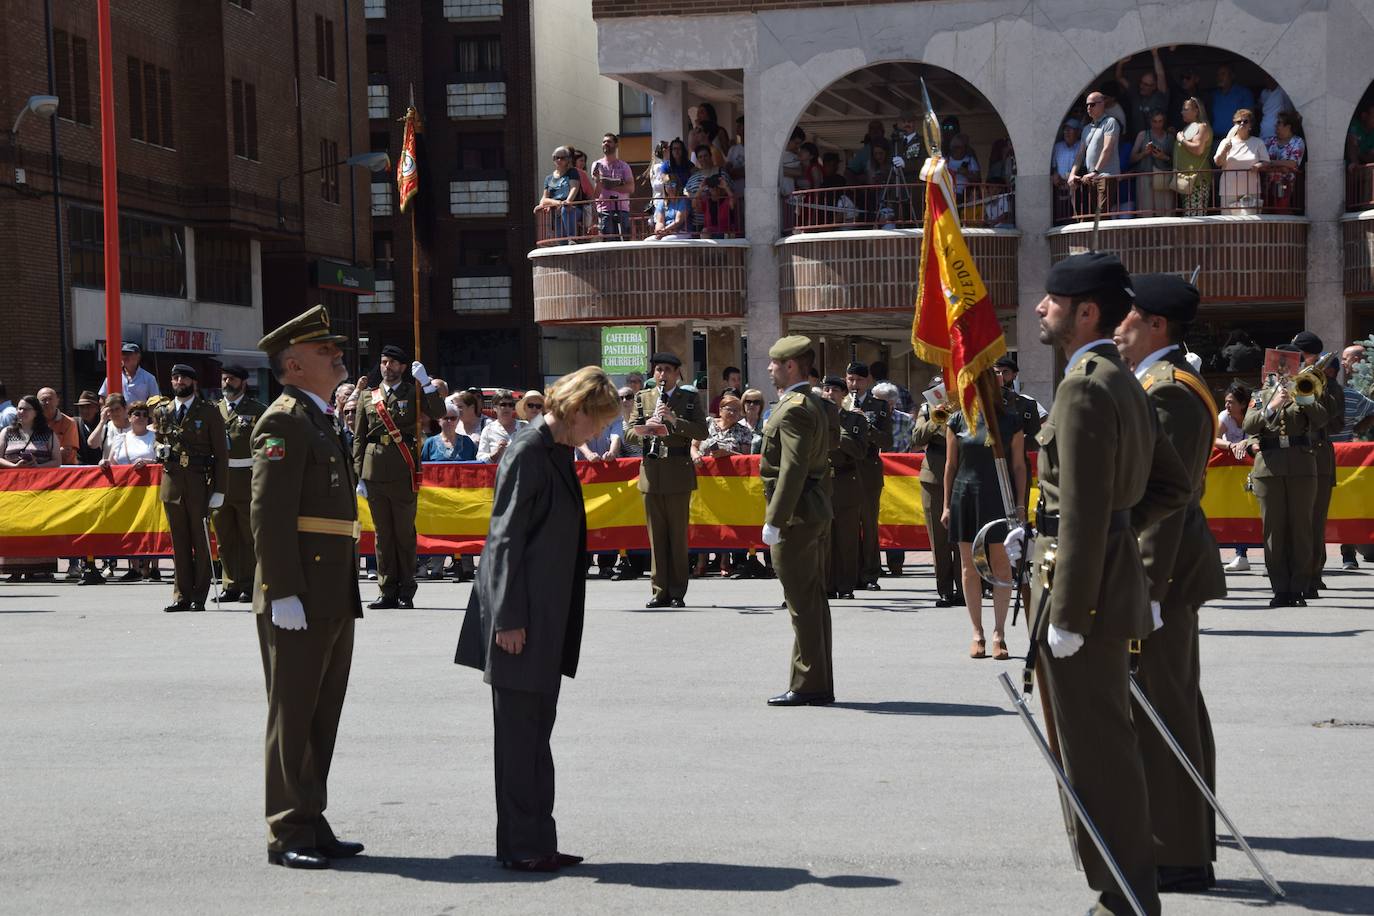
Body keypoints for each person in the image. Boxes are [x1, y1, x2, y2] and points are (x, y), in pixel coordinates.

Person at [1017, 251, 1190, 916]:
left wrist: (1071, 608)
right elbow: (1168, 487)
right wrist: (1073, 530)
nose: (1040, 308)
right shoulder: (1118, 376)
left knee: (1097, 757)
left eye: (1051, 299)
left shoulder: (1086, 384)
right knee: (1103, 747)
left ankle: (1124, 898)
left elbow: (1089, 509)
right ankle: (1123, 891)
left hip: (1081, 598)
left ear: (1085, 311)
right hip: (1091, 578)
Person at [455, 366, 619, 873]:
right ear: (575, 410)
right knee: (521, 739)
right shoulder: (528, 449)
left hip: (540, 618)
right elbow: (503, 537)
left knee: (534, 735)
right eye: (597, 422)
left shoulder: (554, 450)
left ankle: (537, 840)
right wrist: (507, 618)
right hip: (518, 622)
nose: (599, 433)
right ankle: (524, 847)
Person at [1114, 274, 1228, 893]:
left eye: (1128, 316)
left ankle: (1181, 851)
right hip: (1157, 570)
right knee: (1166, 701)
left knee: (1167, 706)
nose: (1117, 324)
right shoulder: (1152, 383)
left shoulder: (1170, 392)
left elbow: (1169, 497)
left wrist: (1150, 589)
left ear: (1156, 324)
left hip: (1164, 572)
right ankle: (1176, 838)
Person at [250, 304, 365, 871]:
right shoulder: (284, 420)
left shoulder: (318, 417)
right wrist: (281, 589)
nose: (337, 355)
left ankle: (311, 818)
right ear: (293, 365)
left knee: (323, 712)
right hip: (300, 590)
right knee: (292, 713)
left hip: (331, 587)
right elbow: (269, 513)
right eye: (325, 351)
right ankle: (286, 829)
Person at [760, 336, 834, 707]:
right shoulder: (812, 403)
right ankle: (815, 679)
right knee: (812, 600)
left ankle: (809, 684)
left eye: (775, 363)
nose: (770, 368)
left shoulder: (793, 409)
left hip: (796, 515)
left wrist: (776, 519)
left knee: (802, 603)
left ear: (791, 366)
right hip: (811, 509)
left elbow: (792, 468)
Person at [352, 344, 446, 610]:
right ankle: (386, 590)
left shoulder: (413, 391)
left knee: (403, 533)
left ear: (403, 367)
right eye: (383, 362)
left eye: (393, 363)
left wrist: (427, 384)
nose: (387, 367)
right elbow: (359, 437)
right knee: (383, 535)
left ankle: (406, 590)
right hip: (374, 471)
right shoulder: (368, 395)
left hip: (403, 470)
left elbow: (439, 413)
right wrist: (359, 474)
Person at [1243, 343, 1329, 606]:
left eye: (1287, 368)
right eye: (1277, 368)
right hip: (1269, 468)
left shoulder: (1304, 391)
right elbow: (1248, 425)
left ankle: (1298, 587)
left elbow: (1322, 419)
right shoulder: (1260, 396)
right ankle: (1280, 588)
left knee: (1301, 529)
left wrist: (1303, 398)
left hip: (1302, 467)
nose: (1281, 373)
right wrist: (1272, 405)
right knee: (1274, 530)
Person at [942, 392, 1025, 660]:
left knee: (1001, 564)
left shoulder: (1011, 421)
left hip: (1000, 496)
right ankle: (977, 632)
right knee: (970, 566)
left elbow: (1019, 466)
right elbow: (950, 465)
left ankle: (999, 633)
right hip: (965, 497)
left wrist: (1021, 504)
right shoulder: (956, 421)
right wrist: (945, 505)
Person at [622, 352, 708, 608]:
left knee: (677, 537)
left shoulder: (690, 398)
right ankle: (659, 591)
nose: (662, 374)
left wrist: (675, 421)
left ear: (677, 373)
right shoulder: (643, 397)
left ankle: (677, 592)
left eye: (667, 370)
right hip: (651, 471)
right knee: (656, 537)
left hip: (678, 471)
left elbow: (702, 431)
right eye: (658, 369)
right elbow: (628, 434)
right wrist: (646, 428)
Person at [153, 365, 229, 613]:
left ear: (193, 382)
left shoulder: (208, 412)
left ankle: (199, 595)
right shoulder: (163, 411)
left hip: (199, 481)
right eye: (175, 377)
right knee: (180, 542)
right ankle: (181, 595)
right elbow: (159, 441)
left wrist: (219, 489)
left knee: (200, 539)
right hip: (173, 482)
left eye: (183, 377)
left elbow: (220, 454)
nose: (178, 381)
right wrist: (158, 451)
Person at [1292, 331, 1343, 596]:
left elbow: (1335, 420)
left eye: (1299, 353)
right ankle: (1291, 575)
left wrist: (1318, 388)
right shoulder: (1287, 378)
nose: (1296, 358)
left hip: (1319, 453)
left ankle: (1312, 575)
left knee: (1313, 519)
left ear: (1310, 355)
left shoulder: (1329, 383)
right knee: (1292, 520)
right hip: (1290, 456)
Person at [214, 365, 267, 604]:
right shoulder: (215, 410)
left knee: (249, 536)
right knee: (225, 537)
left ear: (243, 383)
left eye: (232, 379)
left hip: (247, 479)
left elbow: (269, 445)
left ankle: (250, 584)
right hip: (221, 482)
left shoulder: (257, 410)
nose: (227, 383)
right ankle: (231, 584)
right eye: (224, 379)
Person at [0, 395, 62, 583]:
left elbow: (57, 461)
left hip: (40, 491)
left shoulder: (48, 434)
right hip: (13, 491)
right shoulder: (7, 432)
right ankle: (15, 568)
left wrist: (38, 468)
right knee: (15, 527)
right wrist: (13, 468)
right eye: (19, 408)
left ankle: (41, 569)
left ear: (36, 412)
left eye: (26, 409)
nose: (21, 412)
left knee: (40, 526)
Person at [844, 362, 892, 590]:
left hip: (868, 468)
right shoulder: (839, 403)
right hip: (845, 468)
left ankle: (871, 573)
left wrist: (865, 424)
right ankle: (848, 572)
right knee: (846, 524)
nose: (854, 385)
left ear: (868, 381)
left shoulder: (879, 406)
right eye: (850, 379)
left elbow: (887, 440)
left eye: (859, 380)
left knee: (869, 523)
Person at [912, 384, 958, 606]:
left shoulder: (970, 404)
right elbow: (918, 437)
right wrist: (938, 416)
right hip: (935, 477)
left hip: (963, 473)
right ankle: (945, 590)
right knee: (939, 538)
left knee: (963, 538)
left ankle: (965, 587)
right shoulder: (927, 407)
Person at [820, 376, 866, 599]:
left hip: (846, 482)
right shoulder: (815, 418)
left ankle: (846, 587)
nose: (829, 393)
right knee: (824, 539)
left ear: (843, 395)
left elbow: (860, 451)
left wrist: (837, 428)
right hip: (822, 482)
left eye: (835, 390)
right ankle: (827, 585)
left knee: (847, 539)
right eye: (826, 389)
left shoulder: (854, 420)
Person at [872, 381, 912, 576]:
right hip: (872, 475)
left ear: (891, 403)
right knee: (872, 520)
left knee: (895, 519)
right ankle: (872, 564)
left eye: (880, 402)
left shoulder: (905, 420)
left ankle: (896, 563)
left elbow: (912, 447)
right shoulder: (866, 418)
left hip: (897, 479)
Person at [1216, 382, 1255, 571]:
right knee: (1235, 509)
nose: (1227, 406)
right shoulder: (1224, 417)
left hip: (1253, 469)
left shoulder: (1253, 416)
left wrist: (1245, 442)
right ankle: (1241, 554)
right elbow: (1214, 437)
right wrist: (1231, 446)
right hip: (1232, 473)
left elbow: (1260, 435)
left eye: (1231, 402)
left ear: (1243, 404)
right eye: (1226, 402)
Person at [1069, 91, 1122, 215]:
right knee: (1091, 216)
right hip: (1091, 178)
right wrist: (1072, 174)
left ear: (1102, 104)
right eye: (1087, 105)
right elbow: (1080, 154)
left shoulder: (1110, 122)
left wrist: (1095, 172)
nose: (1088, 108)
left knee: (1102, 215)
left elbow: (1107, 148)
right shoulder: (1086, 128)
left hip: (1105, 176)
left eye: (1092, 104)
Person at [1214, 107, 1269, 214]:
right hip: (1229, 190)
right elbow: (1218, 162)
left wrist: (1259, 166)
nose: (1242, 124)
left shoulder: (1258, 142)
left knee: (1250, 224)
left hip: (1251, 190)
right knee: (1229, 223)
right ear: (1234, 124)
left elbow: (1266, 162)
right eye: (1239, 121)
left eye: (1246, 121)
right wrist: (1225, 149)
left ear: (1250, 125)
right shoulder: (1226, 142)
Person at [1130, 109, 1176, 215]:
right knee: (1146, 212)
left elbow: (1175, 160)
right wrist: (1145, 153)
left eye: (1160, 121)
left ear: (1164, 122)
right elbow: (1132, 158)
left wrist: (1163, 157)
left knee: (1165, 212)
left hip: (1163, 177)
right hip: (1145, 176)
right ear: (1150, 122)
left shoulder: (1170, 137)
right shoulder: (1142, 135)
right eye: (1154, 121)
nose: (1157, 124)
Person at [1113, 49, 1168, 137]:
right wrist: (1120, 63)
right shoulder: (1135, 94)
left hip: (1156, 140)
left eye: (1146, 84)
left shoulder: (1160, 96)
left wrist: (1155, 54)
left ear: (1154, 86)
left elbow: (1160, 74)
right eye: (1141, 83)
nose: (1142, 86)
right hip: (1137, 140)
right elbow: (1119, 78)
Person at [1174, 96, 1214, 216]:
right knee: (1189, 217)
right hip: (1186, 182)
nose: (1182, 112)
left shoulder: (1202, 127)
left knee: (1195, 219)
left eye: (1186, 109)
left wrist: (1181, 140)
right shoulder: (1189, 127)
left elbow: (1198, 149)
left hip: (1197, 182)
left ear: (1196, 111)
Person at [591, 133, 634, 240]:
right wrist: (599, 181)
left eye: (609, 141)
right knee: (608, 243)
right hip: (604, 209)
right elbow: (596, 193)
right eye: (604, 141)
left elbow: (631, 188)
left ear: (616, 145)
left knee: (625, 243)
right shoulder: (597, 164)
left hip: (622, 209)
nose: (606, 144)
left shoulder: (624, 166)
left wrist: (610, 186)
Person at [535, 146, 581, 243]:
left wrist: (568, 202)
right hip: (556, 210)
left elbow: (574, 187)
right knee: (561, 240)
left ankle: (572, 238)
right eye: (557, 157)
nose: (559, 160)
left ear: (568, 159)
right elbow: (544, 199)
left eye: (563, 158)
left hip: (572, 208)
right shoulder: (548, 178)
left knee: (565, 209)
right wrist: (558, 203)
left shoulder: (572, 172)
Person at [1263, 110, 1305, 211]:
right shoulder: (1269, 141)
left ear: (1288, 126)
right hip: (1268, 186)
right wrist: (1282, 166)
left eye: (1279, 123)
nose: (1275, 125)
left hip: (1286, 186)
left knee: (1281, 211)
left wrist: (1271, 163)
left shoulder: (1297, 142)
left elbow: (1293, 163)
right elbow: (1261, 158)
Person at [98, 341, 160, 406]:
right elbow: (102, 399)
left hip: (139, 415)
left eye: (129, 353)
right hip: (118, 415)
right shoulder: (113, 377)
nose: (125, 356)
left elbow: (155, 401)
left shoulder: (149, 378)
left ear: (138, 356)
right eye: (123, 354)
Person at [1210, 63, 1255, 148]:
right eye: (1218, 75)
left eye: (1223, 74)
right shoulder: (1214, 95)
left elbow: (1249, 118)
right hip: (1216, 141)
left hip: (1237, 141)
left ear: (1232, 76)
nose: (1220, 77)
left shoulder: (1243, 93)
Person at [477, 390, 527, 462]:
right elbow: (480, 458)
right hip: (498, 472)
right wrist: (495, 453)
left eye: (510, 405)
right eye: (503, 405)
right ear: (494, 407)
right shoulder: (488, 430)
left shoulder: (525, 426)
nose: (507, 408)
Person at [36, 387, 78, 465]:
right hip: (39, 469)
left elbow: (66, 451)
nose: (47, 402)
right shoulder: (33, 422)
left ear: (57, 401)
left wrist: (40, 454)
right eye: (43, 400)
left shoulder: (69, 422)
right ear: (37, 404)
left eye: (50, 399)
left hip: (64, 469)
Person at [73, 390, 104, 466]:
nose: (85, 410)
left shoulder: (104, 423)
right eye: (82, 407)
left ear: (97, 409)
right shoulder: (73, 423)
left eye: (88, 407)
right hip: (80, 468)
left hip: (101, 466)